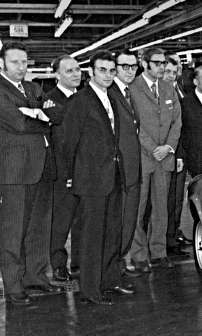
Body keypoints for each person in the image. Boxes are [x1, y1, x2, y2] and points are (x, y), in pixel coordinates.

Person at [62, 49, 135, 305]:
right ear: (91, 72)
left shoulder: (111, 97)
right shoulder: (80, 100)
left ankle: (111, 281)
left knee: (112, 232)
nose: (108, 75)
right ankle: (90, 290)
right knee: (92, 237)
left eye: (112, 70)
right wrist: (70, 176)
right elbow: (68, 142)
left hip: (112, 175)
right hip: (91, 179)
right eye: (102, 70)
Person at [0, 41, 62, 305]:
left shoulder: (34, 88)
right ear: (1, 63)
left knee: (39, 227)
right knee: (13, 231)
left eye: (24, 62)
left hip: (44, 166)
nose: (20, 67)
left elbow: (57, 112)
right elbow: (19, 124)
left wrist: (35, 112)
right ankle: (13, 286)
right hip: (15, 170)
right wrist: (40, 117)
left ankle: (36, 278)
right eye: (14, 62)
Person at [129, 48, 182, 272]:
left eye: (164, 63)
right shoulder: (132, 88)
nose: (162, 67)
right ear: (145, 63)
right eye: (157, 63)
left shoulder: (169, 88)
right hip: (142, 158)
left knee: (161, 208)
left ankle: (159, 251)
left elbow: (177, 121)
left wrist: (168, 147)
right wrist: (153, 149)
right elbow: (133, 124)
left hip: (164, 157)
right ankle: (138, 254)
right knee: (138, 208)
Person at [109, 49, 143, 277]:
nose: (130, 71)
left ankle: (120, 259)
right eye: (125, 67)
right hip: (119, 171)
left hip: (132, 169)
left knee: (128, 219)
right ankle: (114, 265)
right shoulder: (110, 94)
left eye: (133, 67)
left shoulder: (128, 93)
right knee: (118, 220)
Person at [47, 54, 81, 282]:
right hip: (61, 171)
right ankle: (58, 265)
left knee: (83, 219)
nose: (76, 74)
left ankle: (80, 262)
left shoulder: (87, 97)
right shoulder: (48, 101)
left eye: (77, 69)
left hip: (86, 170)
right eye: (69, 71)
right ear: (57, 75)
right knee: (61, 221)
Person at [163, 55, 190, 257]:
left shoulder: (179, 89)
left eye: (175, 71)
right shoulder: (159, 93)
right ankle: (166, 240)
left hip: (180, 154)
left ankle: (173, 233)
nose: (171, 75)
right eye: (167, 71)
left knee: (176, 199)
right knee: (166, 200)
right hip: (167, 154)